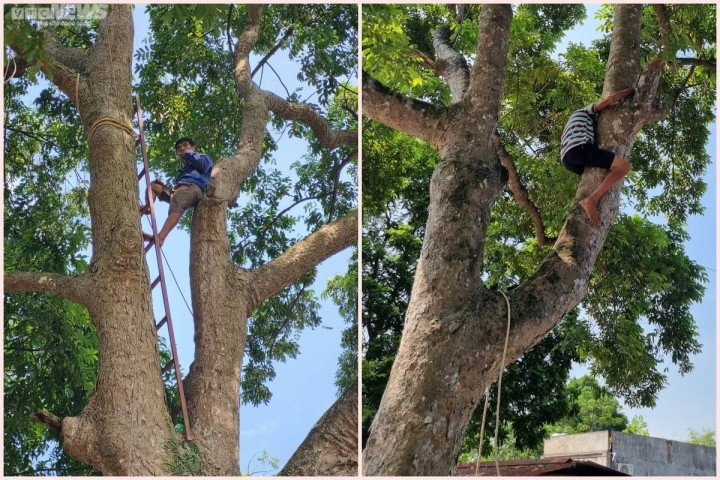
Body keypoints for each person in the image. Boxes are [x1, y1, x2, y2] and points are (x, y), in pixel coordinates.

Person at [560, 88, 634, 226]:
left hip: (567, 158)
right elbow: (610, 99)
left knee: (598, 171)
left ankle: (590, 199)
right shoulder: (584, 111)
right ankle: (592, 200)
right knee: (624, 167)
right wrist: (630, 91)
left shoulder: (574, 123)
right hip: (579, 149)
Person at [141, 137, 213, 246]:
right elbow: (179, 189)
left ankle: (160, 238)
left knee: (177, 204)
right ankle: (148, 207)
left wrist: (188, 153)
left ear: (193, 148)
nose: (182, 148)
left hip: (193, 187)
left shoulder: (203, 157)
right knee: (153, 186)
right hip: (179, 190)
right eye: (179, 148)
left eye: (185, 145)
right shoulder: (185, 169)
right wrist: (164, 187)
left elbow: (203, 165)